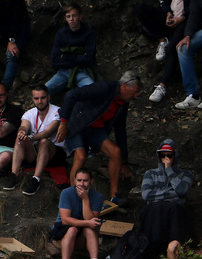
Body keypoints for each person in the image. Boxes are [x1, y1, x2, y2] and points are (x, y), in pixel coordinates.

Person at [56, 73, 141, 206]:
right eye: (135, 92)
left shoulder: (123, 103)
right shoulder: (104, 88)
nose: (136, 95)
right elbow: (71, 95)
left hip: (95, 129)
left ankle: (114, 196)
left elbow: (121, 130)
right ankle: (74, 197)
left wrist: (123, 161)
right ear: (125, 87)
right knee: (81, 156)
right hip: (77, 123)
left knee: (115, 152)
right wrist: (64, 122)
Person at [140, 0, 202, 104]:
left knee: (174, 47)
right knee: (141, 9)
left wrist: (182, 17)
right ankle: (162, 40)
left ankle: (162, 86)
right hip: (171, 16)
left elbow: (196, 2)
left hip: (184, 21)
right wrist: (168, 13)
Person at [3, 85, 64, 196]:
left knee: (44, 141)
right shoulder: (29, 113)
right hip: (37, 152)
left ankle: (36, 179)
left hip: (55, 151)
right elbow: (24, 125)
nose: (40, 101)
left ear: (48, 97)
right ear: (32, 99)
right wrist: (22, 132)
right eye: (36, 98)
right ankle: (14, 175)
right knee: (19, 138)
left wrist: (31, 137)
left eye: (43, 98)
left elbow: (48, 132)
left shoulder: (57, 111)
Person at [52, 168, 106, 259]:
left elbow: (91, 219)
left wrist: (85, 199)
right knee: (73, 229)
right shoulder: (66, 193)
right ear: (75, 180)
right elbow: (65, 220)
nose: (81, 184)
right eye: (79, 180)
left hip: (82, 236)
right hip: (63, 231)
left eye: (85, 180)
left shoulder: (98, 197)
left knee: (89, 230)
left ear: (91, 181)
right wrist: (87, 222)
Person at [45, 3, 98, 97]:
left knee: (93, 91)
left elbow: (90, 60)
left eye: (74, 15)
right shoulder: (61, 34)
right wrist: (79, 57)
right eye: (68, 16)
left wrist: (66, 57)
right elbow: (54, 61)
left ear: (80, 16)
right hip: (63, 71)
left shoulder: (89, 34)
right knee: (44, 91)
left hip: (82, 71)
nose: (71, 19)